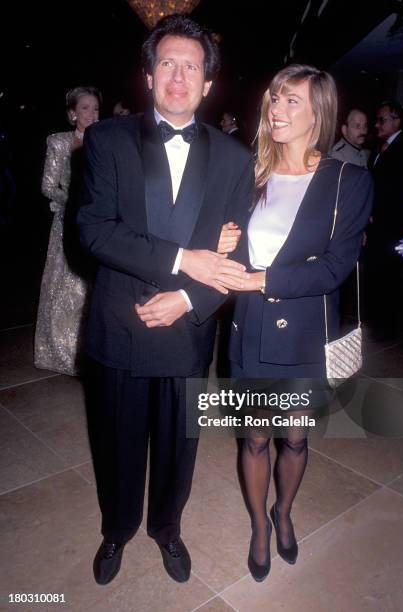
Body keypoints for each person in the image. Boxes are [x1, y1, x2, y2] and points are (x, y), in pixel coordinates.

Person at [77, 14, 253, 586]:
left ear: (208, 85)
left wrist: (189, 297)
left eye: (192, 66)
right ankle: (117, 529)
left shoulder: (234, 158)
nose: (179, 75)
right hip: (120, 323)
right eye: (168, 63)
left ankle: (167, 530)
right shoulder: (107, 139)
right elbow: (95, 231)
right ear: (149, 76)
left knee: (180, 446)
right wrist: (182, 260)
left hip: (189, 329)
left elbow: (238, 252)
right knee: (116, 442)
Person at [219, 64, 373, 581]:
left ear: (318, 114)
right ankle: (260, 526)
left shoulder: (347, 181)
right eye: (274, 99)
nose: (276, 110)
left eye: (291, 102)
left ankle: (284, 512)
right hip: (250, 328)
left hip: (306, 332)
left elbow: (334, 268)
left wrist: (261, 280)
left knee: (295, 439)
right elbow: (228, 245)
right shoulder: (248, 173)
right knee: (255, 439)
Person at [34, 86, 101, 375]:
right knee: (65, 289)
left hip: (99, 227)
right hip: (68, 225)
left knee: (92, 291)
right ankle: (61, 353)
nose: (92, 113)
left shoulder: (107, 140)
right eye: (85, 108)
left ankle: (91, 352)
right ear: (73, 113)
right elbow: (48, 186)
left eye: (96, 108)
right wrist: (75, 203)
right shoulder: (59, 142)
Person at [365, 100, 403, 336]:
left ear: (397, 121)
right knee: (377, 275)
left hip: (394, 226)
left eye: (382, 120)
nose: (376, 125)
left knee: (388, 277)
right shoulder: (381, 148)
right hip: (378, 224)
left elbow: (401, 193)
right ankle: (376, 322)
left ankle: (385, 327)